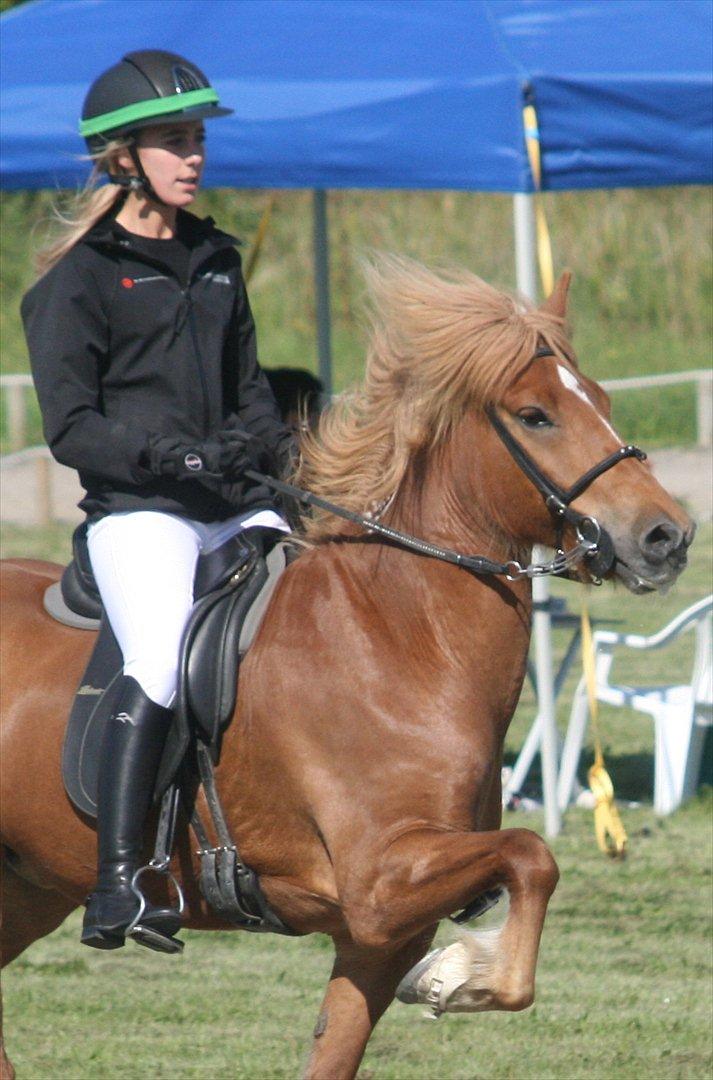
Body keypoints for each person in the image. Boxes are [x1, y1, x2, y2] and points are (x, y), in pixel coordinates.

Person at [21, 50, 295, 953]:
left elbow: (250, 388)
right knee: (161, 661)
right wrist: (166, 453)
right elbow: (73, 429)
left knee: (321, 605)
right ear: (124, 158)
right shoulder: (77, 282)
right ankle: (117, 884)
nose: (194, 155)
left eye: (198, 139)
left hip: (228, 499)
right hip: (139, 514)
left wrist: (257, 448)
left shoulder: (216, 257)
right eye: (175, 142)